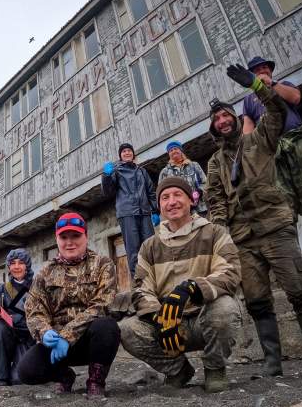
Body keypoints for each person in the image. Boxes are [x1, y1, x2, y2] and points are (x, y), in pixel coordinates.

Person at [206, 64, 302, 377]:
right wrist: (222, 232)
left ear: (235, 119)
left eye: (225, 115)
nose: (222, 121)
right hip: (243, 239)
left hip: (276, 226)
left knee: (300, 291)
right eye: (216, 119)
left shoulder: (260, 138)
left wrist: (256, 85)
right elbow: (215, 199)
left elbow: (277, 108)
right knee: (257, 302)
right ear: (213, 128)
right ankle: (273, 363)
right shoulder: (214, 161)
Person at [119, 176, 242, 393]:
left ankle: (215, 368)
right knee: (128, 330)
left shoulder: (214, 233)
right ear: (159, 206)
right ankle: (178, 370)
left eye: (178, 195)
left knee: (226, 308)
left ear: (191, 200)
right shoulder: (149, 246)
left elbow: (230, 272)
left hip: (205, 317)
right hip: (170, 327)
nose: (172, 201)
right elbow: (141, 287)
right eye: (165, 197)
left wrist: (192, 288)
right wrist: (159, 316)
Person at [19, 212, 120, 397]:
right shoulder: (45, 272)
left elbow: (102, 305)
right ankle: (64, 376)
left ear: (86, 237)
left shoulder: (103, 264)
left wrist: (67, 336)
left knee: (107, 327)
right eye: (64, 237)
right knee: (26, 370)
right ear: (57, 239)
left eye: (76, 236)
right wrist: (44, 331)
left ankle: (96, 382)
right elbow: (34, 309)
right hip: (57, 346)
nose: (69, 242)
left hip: (91, 340)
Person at [241, 55, 302, 249]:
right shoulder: (248, 101)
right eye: (257, 70)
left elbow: (295, 97)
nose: (262, 71)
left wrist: (271, 84)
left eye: (265, 68)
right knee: (282, 196)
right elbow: (247, 131)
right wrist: (249, 153)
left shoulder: (282, 84)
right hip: (272, 150)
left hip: (296, 140)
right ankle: (293, 247)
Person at [101, 143, 159, 278]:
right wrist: (106, 176)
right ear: (120, 155)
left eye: (129, 151)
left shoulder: (142, 171)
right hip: (127, 213)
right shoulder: (116, 171)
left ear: (133, 154)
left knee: (150, 246)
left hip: (144, 212)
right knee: (133, 250)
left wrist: (155, 210)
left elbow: (150, 191)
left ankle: (155, 278)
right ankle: (138, 283)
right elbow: (108, 192)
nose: (127, 153)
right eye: (124, 151)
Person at [0, 248, 36, 386]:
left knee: (20, 379)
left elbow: (40, 321)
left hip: (28, 339)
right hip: (6, 338)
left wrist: (11, 319)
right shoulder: (0, 290)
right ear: (8, 266)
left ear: (27, 265)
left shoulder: (37, 288)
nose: (16, 267)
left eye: (21, 263)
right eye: (13, 263)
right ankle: (2, 377)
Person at [158, 140, 208, 216]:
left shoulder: (194, 165)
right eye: (171, 150)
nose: (173, 151)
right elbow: (161, 193)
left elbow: (205, 183)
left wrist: (199, 191)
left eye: (176, 149)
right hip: (179, 211)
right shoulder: (165, 172)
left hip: (199, 208)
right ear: (169, 154)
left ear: (181, 151)